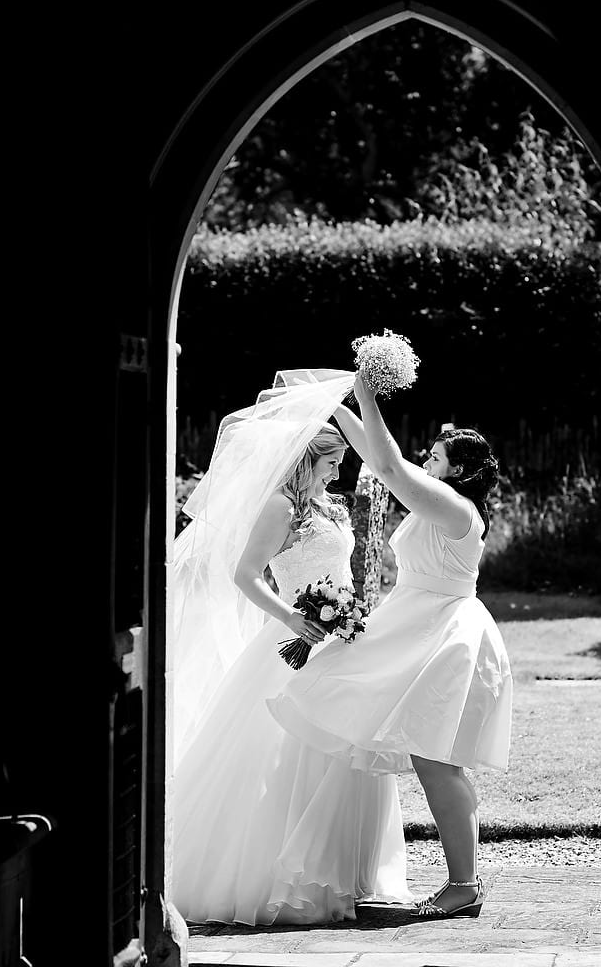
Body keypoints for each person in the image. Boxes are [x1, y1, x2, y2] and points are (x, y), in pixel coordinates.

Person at [169, 369, 413, 926]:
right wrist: (297, 621)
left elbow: (344, 564)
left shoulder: (335, 508)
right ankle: (280, 873)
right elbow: (246, 575)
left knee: (345, 750)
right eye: (331, 463)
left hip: (345, 639)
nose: (338, 472)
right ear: (307, 459)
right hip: (291, 642)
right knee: (281, 755)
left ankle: (344, 870)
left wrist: (350, 618)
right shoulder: (280, 508)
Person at [266, 372, 514, 919]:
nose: (427, 458)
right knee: (428, 755)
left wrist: (367, 396)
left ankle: (463, 887)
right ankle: (461, 884)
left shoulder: (456, 509)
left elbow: (386, 465)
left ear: (461, 469)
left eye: (437, 454)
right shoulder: (444, 499)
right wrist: (341, 404)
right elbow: (384, 457)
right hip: (414, 626)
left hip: (447, 635)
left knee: (437, 760)